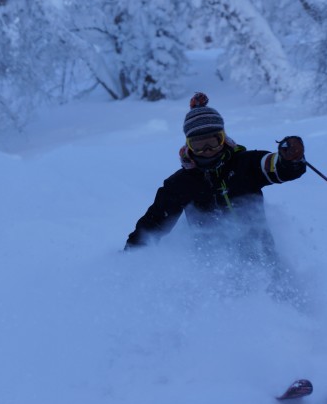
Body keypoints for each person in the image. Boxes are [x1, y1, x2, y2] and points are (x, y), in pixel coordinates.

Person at [124, 93, 306, 288]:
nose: (208, 150)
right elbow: (154, 223)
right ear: (188, 145)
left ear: (223, 138)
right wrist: (129, 260)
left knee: (285, 305)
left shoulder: (245, 164)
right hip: (216, 271)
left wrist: (290, 161)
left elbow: (272, 166)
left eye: (214, 141)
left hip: (265, 260)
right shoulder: (181, 183)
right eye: (199, 145)